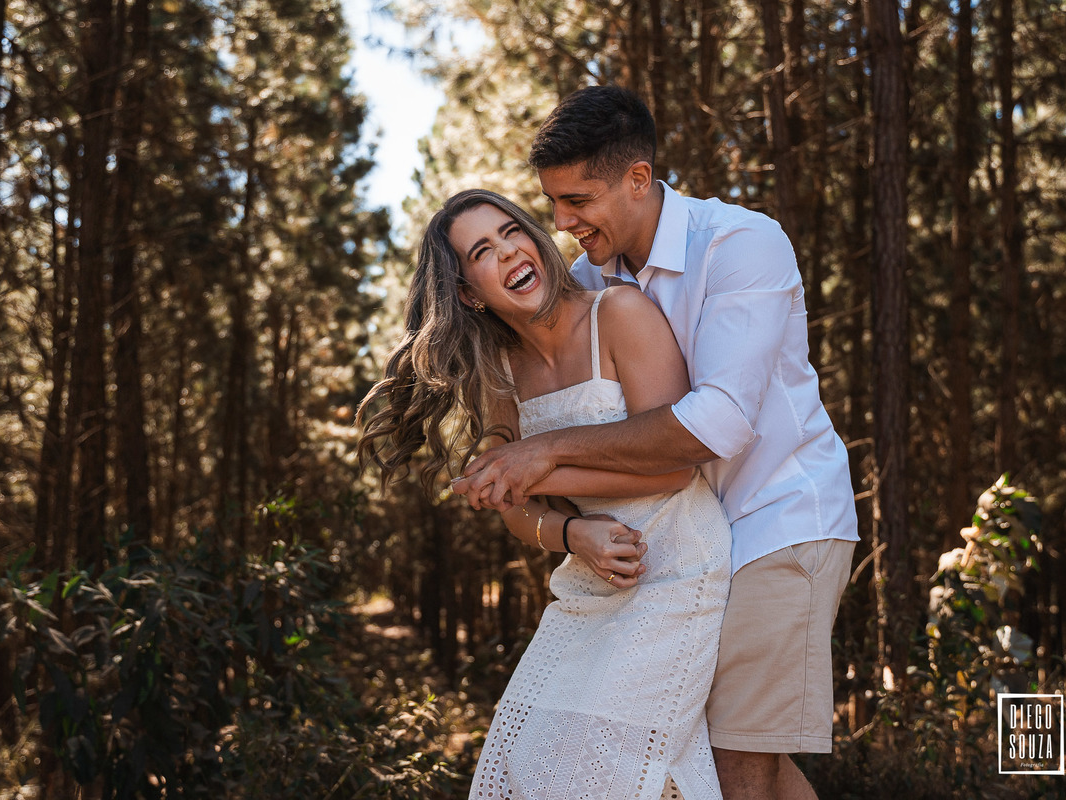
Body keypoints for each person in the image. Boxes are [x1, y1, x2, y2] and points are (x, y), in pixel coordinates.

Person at [451, 86, 860, 800]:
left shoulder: (739, 244)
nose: (561, 223)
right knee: (715, 758)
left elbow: (718, 423)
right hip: (680, 550)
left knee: (737, 761)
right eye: (552, 203)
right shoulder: (586, 281)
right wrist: (519, 467)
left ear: (638, 178)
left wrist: (542, 455)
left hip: (778, 518)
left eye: (578, 201)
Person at [357, 189, 733, 798]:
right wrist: (572, 533)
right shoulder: (502, 368)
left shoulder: (619, 313)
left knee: (598, 772)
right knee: (525, 760)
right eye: (482, 251)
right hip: (588, 580)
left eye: (511, 232)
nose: (508, 252)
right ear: (468, 294)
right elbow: (515, 507)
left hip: (676, 567)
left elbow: (673, 467)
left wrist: (535, 470)